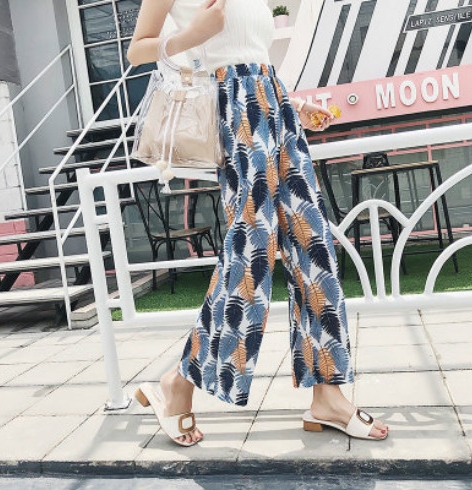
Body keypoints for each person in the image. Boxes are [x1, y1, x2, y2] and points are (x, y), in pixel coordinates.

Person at [127, 0, 389, 447]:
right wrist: (192, 35)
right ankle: (179, 381)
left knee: (315, 245)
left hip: (275, 107)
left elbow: (249, 53)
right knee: (251, 252)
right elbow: (138, 50)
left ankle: (328, 394)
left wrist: (293, 104)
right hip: (234, 112)